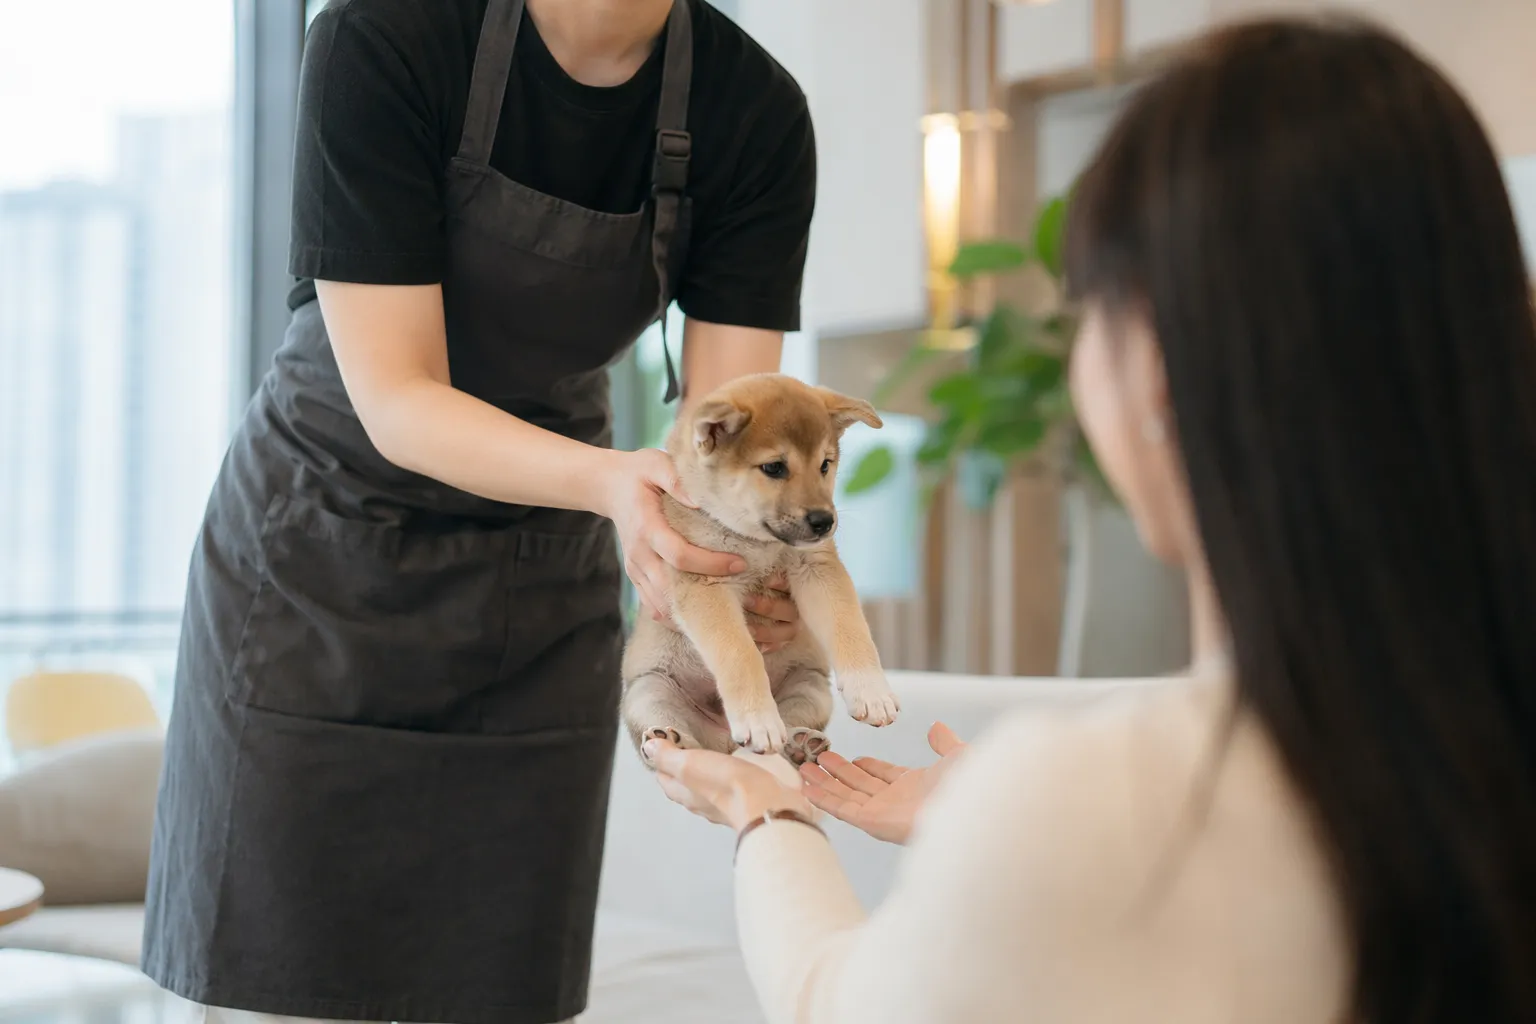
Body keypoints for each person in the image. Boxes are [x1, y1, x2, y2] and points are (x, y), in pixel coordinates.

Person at [647, 14, 1536, 1024]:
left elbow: (832, 1003)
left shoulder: (1094, 804)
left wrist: (763, 809)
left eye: (1088, 314)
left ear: (1158, 372)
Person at [141, 1, 814, 1023]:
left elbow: (729, 448)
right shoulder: (386, 37)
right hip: (323, 561)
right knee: (278, 989)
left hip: (537, 595)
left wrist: (729, 597)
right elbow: (398, 397)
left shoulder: (752, 110)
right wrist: (607, 485)